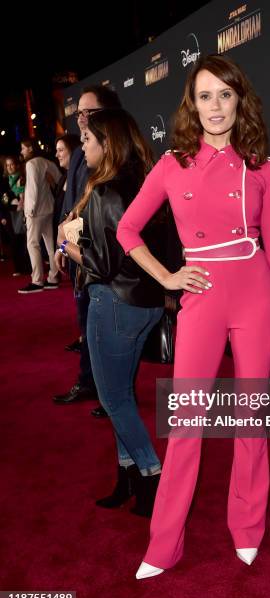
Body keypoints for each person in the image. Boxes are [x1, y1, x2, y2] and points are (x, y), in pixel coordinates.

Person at [117, 54, 270, 578]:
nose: (216, 107)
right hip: (201, 300)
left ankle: (247, 528)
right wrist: (169, 277)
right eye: (205, 96)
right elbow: (127, 230)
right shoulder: (172, 164)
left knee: (250, 420)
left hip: (257, 298)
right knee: (187, 424)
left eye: (224, 94)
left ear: (239, 99)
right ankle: (163, 544)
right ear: (191, 105)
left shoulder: (261, 165)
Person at [55, 108, 165, 516]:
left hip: (115, 304)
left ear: (107, 142)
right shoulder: (145, 180)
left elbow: (101, 264)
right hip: (146, 304)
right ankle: (129, 477)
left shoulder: (107, 190)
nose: (83, 148)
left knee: (113, 398)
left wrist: (66, 245)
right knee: (122, 395)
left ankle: (152, 475)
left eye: (87, 141)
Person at [53, 85, 123, 418]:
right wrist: (62, 238)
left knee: (104, 330)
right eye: (78, 111)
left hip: (98, 255)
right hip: (77, 249)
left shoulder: (110, 150)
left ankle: (114, 395)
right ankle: (91, 383)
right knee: (87, 325)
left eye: (87, 111)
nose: (79, 117)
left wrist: (71, 241)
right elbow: (76, 202)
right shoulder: (81, 149)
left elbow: (99, 207)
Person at [18, 139, 61, 293]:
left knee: (33, 244)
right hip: (49, 209)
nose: (22, 152)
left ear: (30, 148)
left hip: (35, 211)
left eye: (23, 148)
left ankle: (37, 281)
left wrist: (29, 210)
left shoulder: (31, 164)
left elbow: (32, 189)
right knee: (50, 246)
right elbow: (59, 180)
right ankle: (53, 277)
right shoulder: (47, 162)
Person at [0, 156, 30, 275]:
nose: (10, 167)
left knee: (24, 240)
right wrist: (2, 216)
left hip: (23, 212)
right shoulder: (3, 181)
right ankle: (18, 268)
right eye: (7, 165)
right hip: (9, 213)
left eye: (12, 164)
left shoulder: (23, 177)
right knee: (13, 241)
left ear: (17, 165)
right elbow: (2, 200)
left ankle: (28, 266)